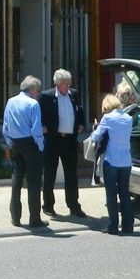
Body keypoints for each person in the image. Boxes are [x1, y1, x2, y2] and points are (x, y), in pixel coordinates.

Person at [39, 68, 86, 218]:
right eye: (64, 83)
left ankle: (74, 206)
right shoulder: (47, 96)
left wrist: (81, 123)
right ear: (57, 84)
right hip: (54, 140)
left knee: (71, 175)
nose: (67, 86)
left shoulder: (74, 94)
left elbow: (80, 110)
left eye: (68, 83)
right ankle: (48, 206)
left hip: (70, 140)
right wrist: (42, 126)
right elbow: (40, 113)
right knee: (49, 174)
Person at [2, 75, 48, 229]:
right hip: (30, 143)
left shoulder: (10, 101)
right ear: (33, 90)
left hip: (15, 143)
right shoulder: (33, 104)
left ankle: (15, 217)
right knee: (34, 181)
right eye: (38, 91)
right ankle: (35, 219)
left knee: (17, 180)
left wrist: (10, 143)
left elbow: (5, 126)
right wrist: (40, 146)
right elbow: (36, 129)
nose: (38, 94)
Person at [91, 93, 134, 234]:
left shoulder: (107, 118)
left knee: (111, 195)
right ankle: (128, 226)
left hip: (111, 160)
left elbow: (95, 137)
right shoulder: (129, 118)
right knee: (125, 193)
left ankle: (113, 226)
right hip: (126, 161)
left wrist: (96, 126)